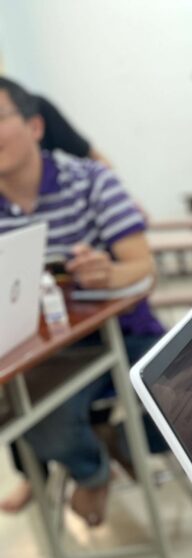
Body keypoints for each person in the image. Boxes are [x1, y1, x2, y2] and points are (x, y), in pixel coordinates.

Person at [0, 76, 165, 525]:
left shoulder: (90, 181)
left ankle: (122, 445)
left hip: (120, 334)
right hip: (40, 353)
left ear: (35, 126)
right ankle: (92, 471)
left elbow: (143, 268)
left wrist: (111, 273)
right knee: (35, 420)